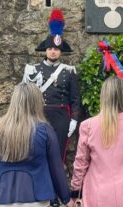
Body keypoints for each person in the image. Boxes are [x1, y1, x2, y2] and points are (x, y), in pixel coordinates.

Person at [0, 83, 74, 207]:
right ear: (37, 102)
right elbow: (56, 169)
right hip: (35, 202)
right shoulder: (44, 130)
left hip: (0, 200)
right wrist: (66, 199)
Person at [70, 76, 123, 207]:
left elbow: (81, 162)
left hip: (96, 195)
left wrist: (75, 189)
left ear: (103, 96)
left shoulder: (88, 125)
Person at [22, 9, 80, 160]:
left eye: (56, 49)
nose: (53, 52)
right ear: (45, 50)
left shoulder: (69, 71)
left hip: (61, 117)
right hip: (39, 115)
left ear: (60, 51)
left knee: (58, 153)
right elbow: (25, 97)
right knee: (37, 151)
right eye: (50, 49)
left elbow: (75, 99)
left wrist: (74, 119)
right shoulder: (34, 70)